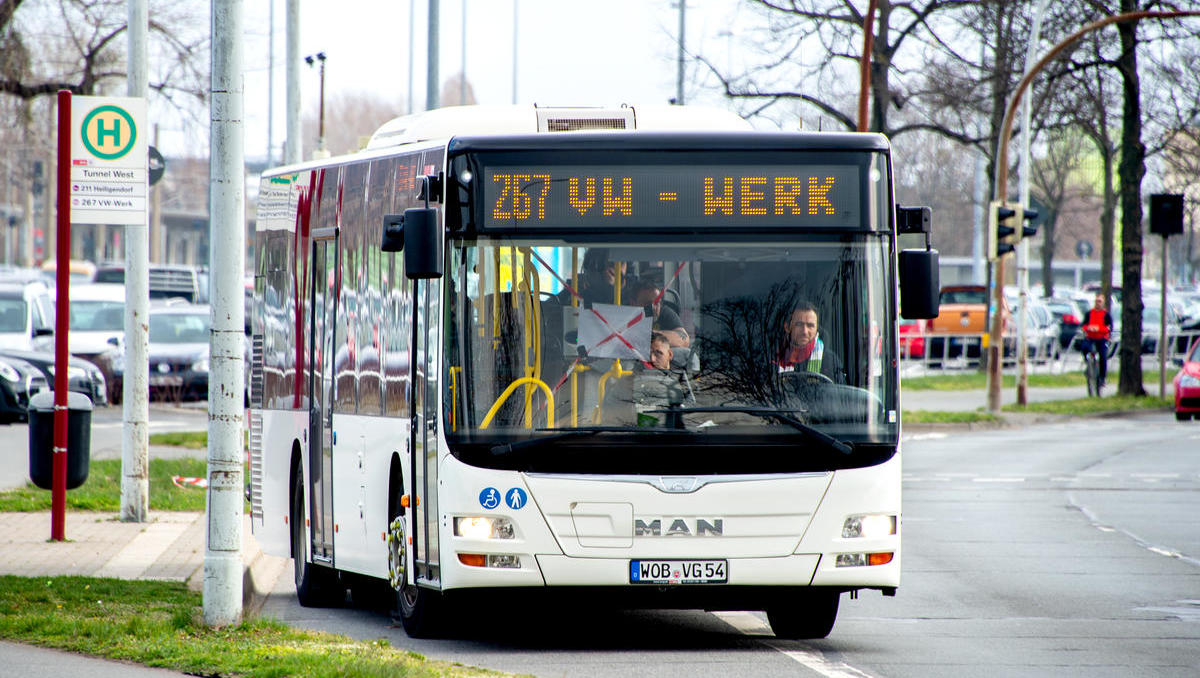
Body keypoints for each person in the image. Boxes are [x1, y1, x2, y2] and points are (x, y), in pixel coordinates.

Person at [777, 302, 844, 383]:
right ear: (787, 327)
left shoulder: (830, 362)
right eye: (799, 324)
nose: (805, 331)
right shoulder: (771, 360)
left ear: (817, 329)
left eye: (810, 325)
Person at [626, 277, 690, 348]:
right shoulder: (623, 315)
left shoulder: (665, 312)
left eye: (657, 303)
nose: (654, 308)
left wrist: (651, 335)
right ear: (632, 303)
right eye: (647, 304)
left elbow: (684, 340)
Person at [1079, 293, 1113, 388]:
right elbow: (1083, 325)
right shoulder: (1089, 314)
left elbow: (1109, 328)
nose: (1098, 303)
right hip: (1090, 337)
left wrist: (1098, 329)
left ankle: (1102, 377)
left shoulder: (1106, 315)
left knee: (1103, 356)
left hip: (1102, 339)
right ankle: (1088, 366)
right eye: (1096, 301)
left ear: (1103, 303)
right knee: (1084, 348)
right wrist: (1088, 328)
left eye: (1100, 301)